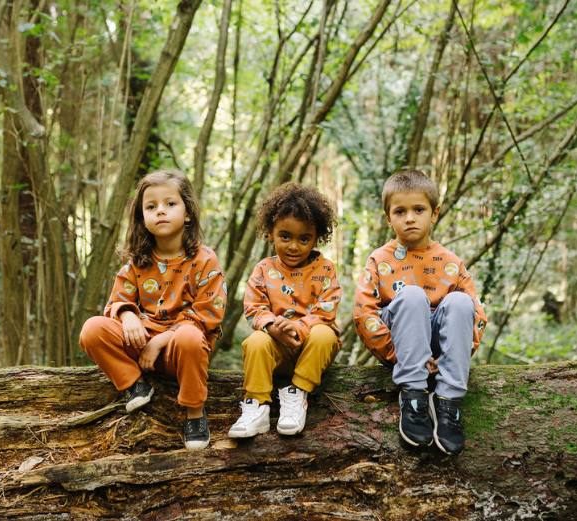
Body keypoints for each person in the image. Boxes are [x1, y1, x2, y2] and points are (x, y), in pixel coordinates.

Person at [79, 169, 226, 451]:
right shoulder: (138, 262)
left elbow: (208, 314)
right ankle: (134, 384)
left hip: (181, 351)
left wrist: (161, 340)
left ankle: (195, 413)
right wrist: (128, 315)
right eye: (151, 206)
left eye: (170, 204)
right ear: (142, 218)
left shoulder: (205, 260)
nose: (161, 211)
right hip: (140, 346)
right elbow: (116, 301)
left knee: (190, 338)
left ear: (187, 213)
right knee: (93, 329)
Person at [353, 168, 487, 455]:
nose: (410, 218)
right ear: (389, 218)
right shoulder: (379, 259)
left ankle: (448, 402)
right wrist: (397, 354)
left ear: (434, 213)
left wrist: (448, 357)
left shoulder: (449, 261)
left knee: (461, 302)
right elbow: (364, 315)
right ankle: (413, 397)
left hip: (439, 356)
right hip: (403, 348)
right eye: (400, 211)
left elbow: (477, 315)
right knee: (412, 296)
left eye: (418, 209)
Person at [228, 182, 341, 438]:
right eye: (285, 236)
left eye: (304, 239)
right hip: (275, 348)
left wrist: (299, 327)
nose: (293, 246)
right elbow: (254, 307)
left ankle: (297, 393)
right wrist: (272, 326)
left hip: (312, 350)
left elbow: (326, 309)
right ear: (271, 232)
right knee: (255, 341)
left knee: (325, 334)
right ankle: (257, 405)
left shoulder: (325, 269)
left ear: (316, 238)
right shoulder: (263, 269)